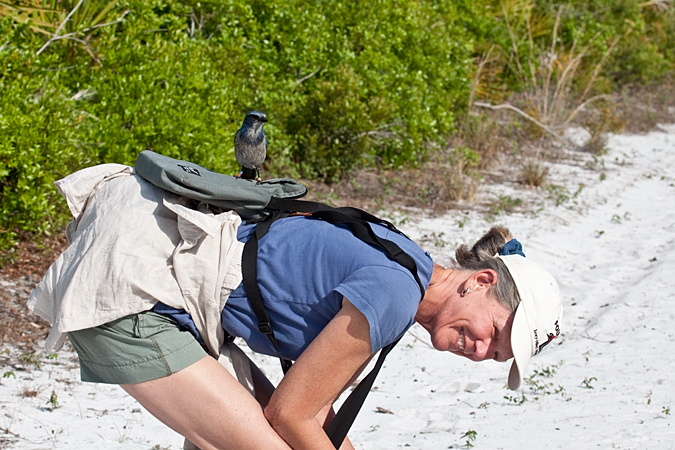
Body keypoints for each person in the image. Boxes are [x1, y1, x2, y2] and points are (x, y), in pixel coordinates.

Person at [28, 163, 562, 450]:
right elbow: (292, 413)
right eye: (498, 333)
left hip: (166, 274)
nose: (484, 350)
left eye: (496, 357)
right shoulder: (397, 294)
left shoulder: (408, 262)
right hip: (141, 281)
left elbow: (309, 398)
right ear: (482, 281)